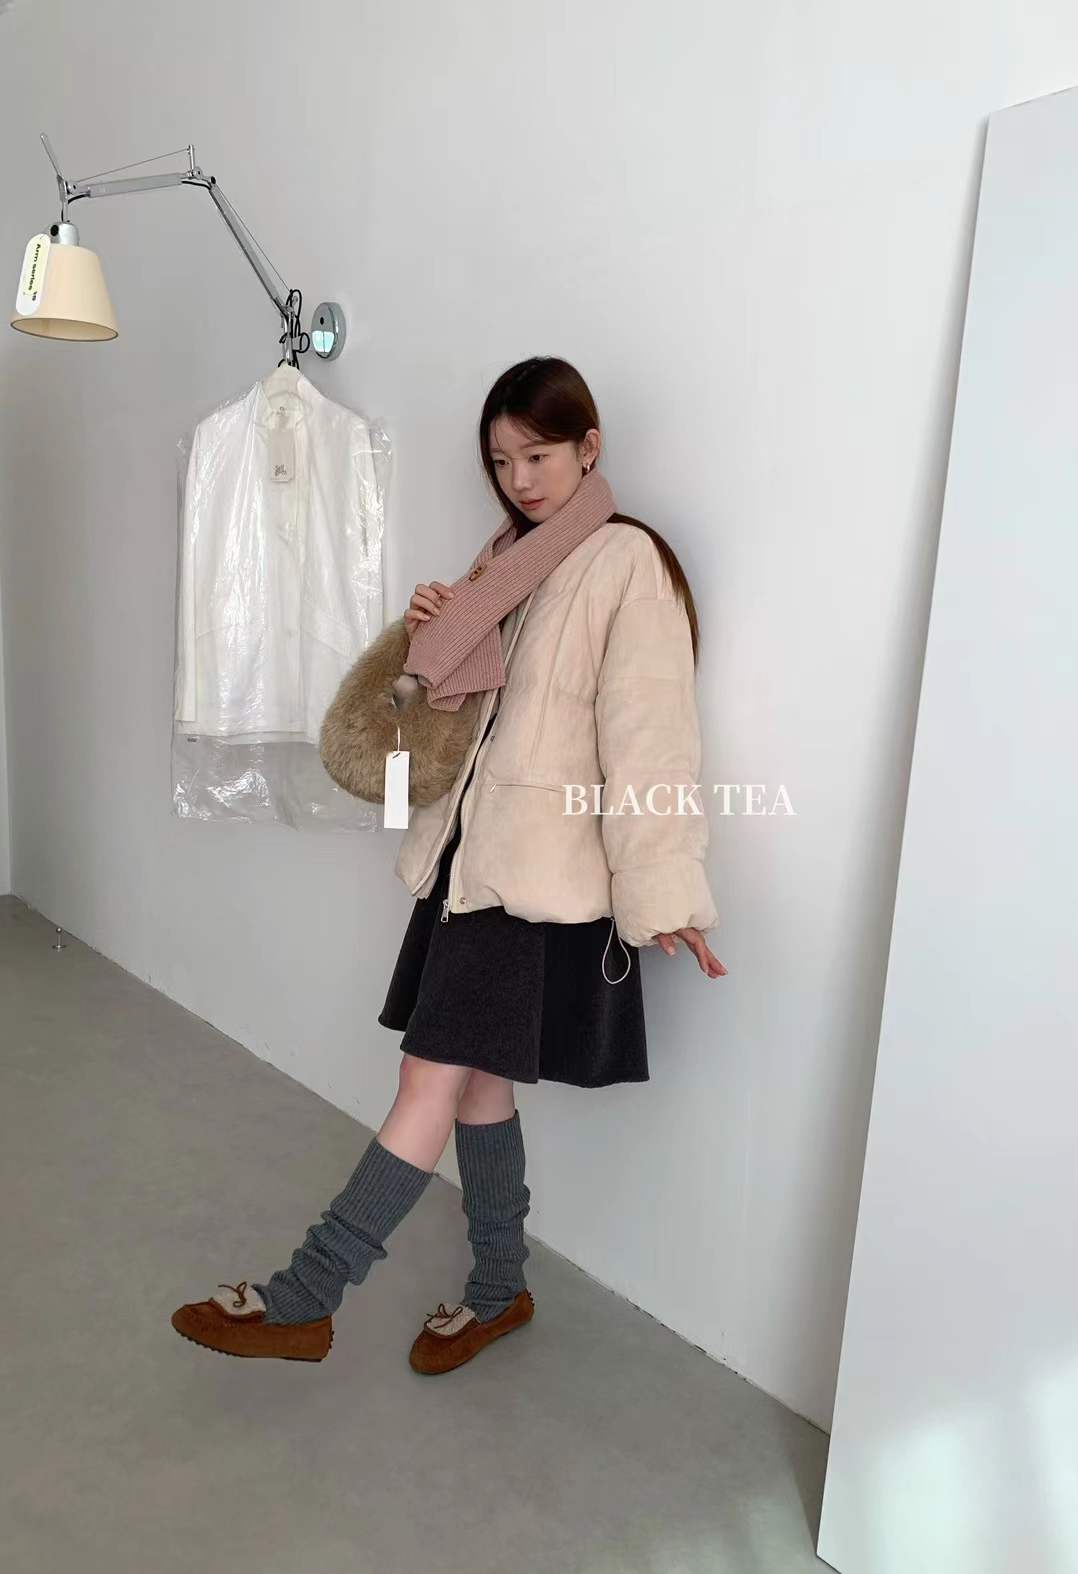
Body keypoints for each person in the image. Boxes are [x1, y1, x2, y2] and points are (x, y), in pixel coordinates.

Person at [171, 357, 727, 1369]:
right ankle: (500, 1289)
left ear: (589, 447)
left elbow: (652, 746)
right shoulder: (507, 563)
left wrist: (665, 891)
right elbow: (465, 721)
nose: (520, 479)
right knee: (477, 1090)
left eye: (538, 455)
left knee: (427, 1077)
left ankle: (304, 1298)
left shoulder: (625, 563)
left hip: (536, 883)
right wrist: (443, 631)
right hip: (469, 866)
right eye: (502, 461)